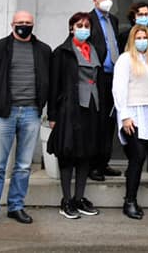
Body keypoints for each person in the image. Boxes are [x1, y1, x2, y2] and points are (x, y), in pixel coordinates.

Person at [0, 10, 52, 229]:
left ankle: (16, 206)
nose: (24, 25)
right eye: (20, 22)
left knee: (23, 166)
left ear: (33, 25)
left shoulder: (43, 50)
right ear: (12, 24)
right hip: (5, 114)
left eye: (28, 22)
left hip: (31, 113)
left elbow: (48, 78)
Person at [46, 12, 104, 220]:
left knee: (86, 154)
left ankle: (79, 198)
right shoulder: (61, 52)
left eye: (87, 26)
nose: (84, 29)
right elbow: (54, 85)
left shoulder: (94, 50)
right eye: (79, 25)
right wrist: (52, 115)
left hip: (92, 108)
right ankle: (66, 200)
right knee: (67, 153)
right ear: (71, 28)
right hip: (69, 109)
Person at [113, 24, 148, 219]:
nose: (142, 41)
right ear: (132, 40)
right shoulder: (125, 59)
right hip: (131, 113)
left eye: (145, 38)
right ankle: (129, 201)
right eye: (138, 38)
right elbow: (118, 88)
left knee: (141, 156)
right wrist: (124, 116)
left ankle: (131, 197)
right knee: (138, 155)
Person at [120, 2, 148, 176]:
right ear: (133, 17)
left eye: (146, 14)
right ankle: (133, 164)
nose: (144, 17)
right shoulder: (124, 36)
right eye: (140, 14)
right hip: (134, 89)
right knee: (133, 136)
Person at [87, 0, 122, 181]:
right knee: (96, 122)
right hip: (97, 76)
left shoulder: (113, 20)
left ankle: (104, 162)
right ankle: (93, 165)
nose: (108, 1)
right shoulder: (87, 20)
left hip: (113, 77)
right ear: (95, 0)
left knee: (109, 121)